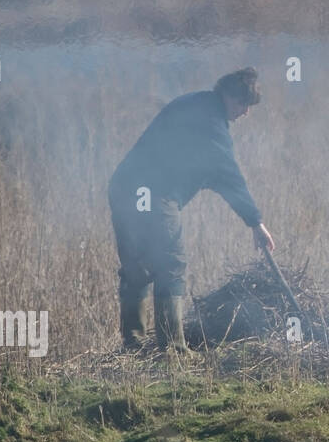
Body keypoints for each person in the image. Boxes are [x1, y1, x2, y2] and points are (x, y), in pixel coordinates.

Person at [108, 67, 274, 353]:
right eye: (242, 105)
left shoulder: (193, 103)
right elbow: (228, 174)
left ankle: (133, 346)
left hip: (124, 188)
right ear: (228, 96)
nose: (245, 112)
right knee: (170, 264)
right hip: (155, 195)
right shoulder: (211, 123)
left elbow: (215, 174)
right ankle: (172, 350)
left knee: (137, 267)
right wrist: (255, 222)